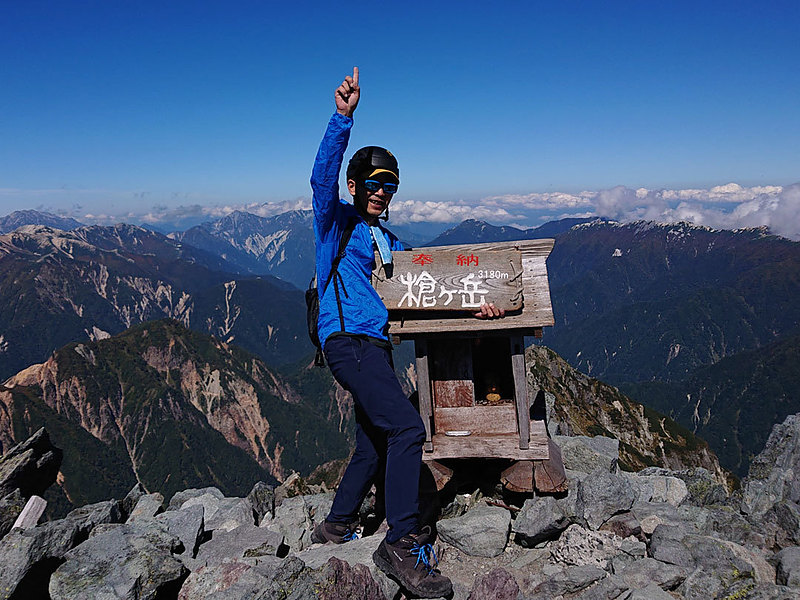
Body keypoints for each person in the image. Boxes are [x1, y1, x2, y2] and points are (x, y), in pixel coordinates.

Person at [309, 67, 503, 599]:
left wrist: (474, 308)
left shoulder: (387, 240)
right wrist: (342, 118)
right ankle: (399, 543)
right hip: (347, 342)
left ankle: (336, 523)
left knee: (374, 440)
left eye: (389, 185)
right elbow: (320, 182)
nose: (380, 192)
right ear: (355, 186)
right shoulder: (336, 225)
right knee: (408, 430)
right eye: (372, 183)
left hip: (375, 345)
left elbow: (424, 294)